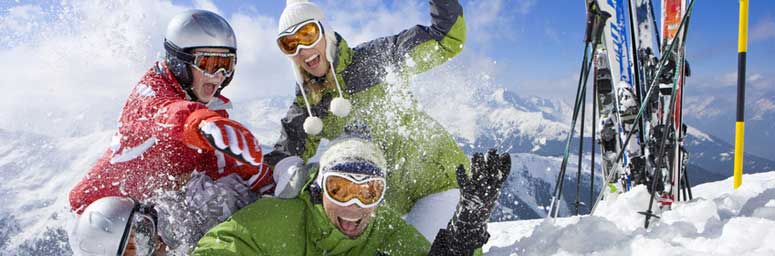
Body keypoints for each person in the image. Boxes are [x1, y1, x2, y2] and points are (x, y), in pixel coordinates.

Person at [68, 9, 274, 254]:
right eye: (208, 64)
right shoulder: (150, 93)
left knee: (229, 198)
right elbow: (165, 113)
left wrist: (266, 179)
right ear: (179, 60)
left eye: (226, 65)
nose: (219, 76)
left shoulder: (211, 110)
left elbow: (218, 162)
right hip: (102, 219)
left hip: (152, 211)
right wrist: (198, 123)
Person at [265, 0, 469, 239]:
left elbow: (446, 39)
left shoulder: (375, 59)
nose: (302, 49)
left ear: (325, 31)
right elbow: (285, 153)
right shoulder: (311, 104)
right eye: (290, 44)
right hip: (381, 199)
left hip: (438, 185)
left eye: (308, 34)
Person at [193, 126, 511, 255]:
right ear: (319, 190)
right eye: (340, 189)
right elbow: (223, 245)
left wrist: (465, 234)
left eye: (369, 191)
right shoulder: (284, 217)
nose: (355, 206)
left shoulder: (384, 230)